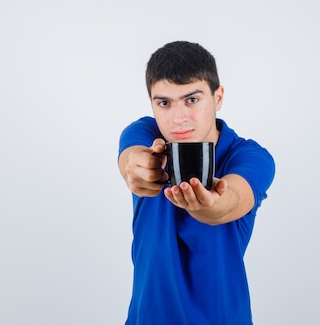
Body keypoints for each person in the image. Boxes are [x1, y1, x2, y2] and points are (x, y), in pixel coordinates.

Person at [117, 41, 276, 325]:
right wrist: (139, 168)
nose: (178, 118)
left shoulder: (251, 157)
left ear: (218, 97)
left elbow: (234, 199)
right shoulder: (144, 132)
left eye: (192, 99)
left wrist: (212, 206)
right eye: (164, 103)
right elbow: (131, 159)